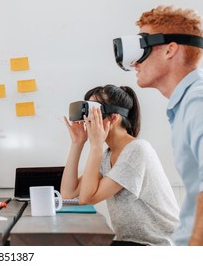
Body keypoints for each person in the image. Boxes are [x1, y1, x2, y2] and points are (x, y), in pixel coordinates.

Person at [127, 5, 203, 245]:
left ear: (170, 50)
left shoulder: (202, 102)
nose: (135, 62)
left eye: (142, 48)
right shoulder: (187, 104)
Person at [61, 85, 179, 246]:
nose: (88, 120)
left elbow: (87, 199)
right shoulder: (108, 155)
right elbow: (69, 194)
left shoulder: (137, 150)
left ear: (114, 118)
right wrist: (77, 143)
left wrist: (95, 146)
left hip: (158, 245)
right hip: (131, 242)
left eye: (94, 113)